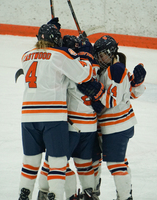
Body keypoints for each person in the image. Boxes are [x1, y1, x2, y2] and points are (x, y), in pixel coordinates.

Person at [17, 17, 94, 200]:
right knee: (58, 162)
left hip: (28, 116)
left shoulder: (25, 56)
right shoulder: (60, 55)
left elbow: (43, 59)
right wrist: (84, 55)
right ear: (57, 40)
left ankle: (23, 193)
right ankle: (56, 195)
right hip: (52, 116)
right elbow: (83, 75)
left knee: (30, 161)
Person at [78, 35, 146, 200]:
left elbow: (112, 101)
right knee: (110, 161)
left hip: (117, 125)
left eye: (103, 54)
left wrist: (97, 92)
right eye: (98, 54)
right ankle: (101, 193)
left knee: (116, 164)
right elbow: (132, 91)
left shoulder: (115, 69)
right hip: (110, 126)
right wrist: (136, 82)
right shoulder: (106, 69)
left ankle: (125, 197)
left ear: (112, 52)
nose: (99, 58)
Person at [37, 35, 102, 200]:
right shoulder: (93, 65)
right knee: (85, 163)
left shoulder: (66, 64)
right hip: (90, 125)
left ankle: (45, 193)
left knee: (54, 162)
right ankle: (89, 194)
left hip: (71, 126)